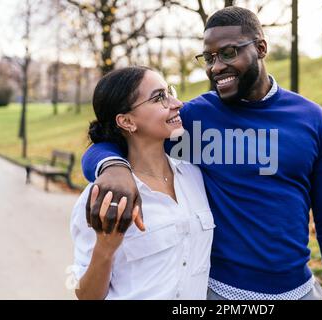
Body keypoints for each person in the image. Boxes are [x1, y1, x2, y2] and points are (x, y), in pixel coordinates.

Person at [81, 7, 322, 300]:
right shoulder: (195, 118)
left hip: (300, 291)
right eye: (209, 58)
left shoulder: (313, 120)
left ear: (261, 48)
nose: (215, 67)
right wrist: (113, 168)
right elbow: (113, 138)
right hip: (218, 292)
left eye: (228, 53)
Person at [71, 66, 215, 300]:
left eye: (169, 91)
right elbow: (85, 295)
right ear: (127, 121)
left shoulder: (193, 177)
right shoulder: (104, 197)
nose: (177, 103)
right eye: (159, 97)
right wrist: (104, 250)